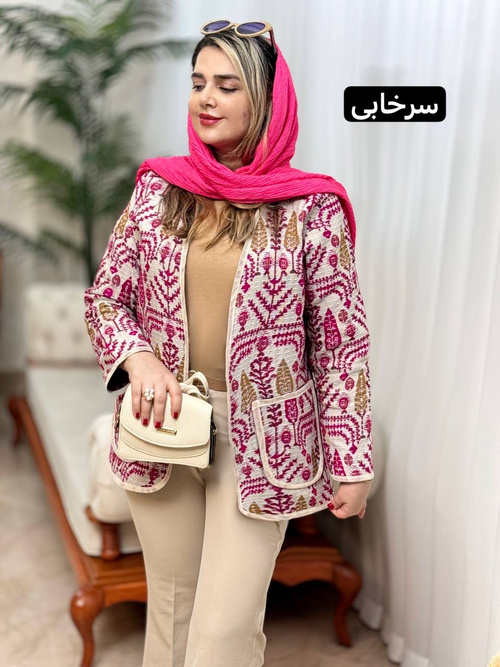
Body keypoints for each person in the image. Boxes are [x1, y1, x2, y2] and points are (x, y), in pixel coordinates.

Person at [83, 19, 374, 667]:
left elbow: (341, 346)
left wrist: (351, 460)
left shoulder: (312, 209)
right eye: (198, 83)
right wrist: (139, 357)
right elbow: (106, 298)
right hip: (161, 422)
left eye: (227, 85)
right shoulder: (159, 189)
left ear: (266, 100)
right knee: (172, 612)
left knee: (223, 633)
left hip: (265, 438)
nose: (206, 98)